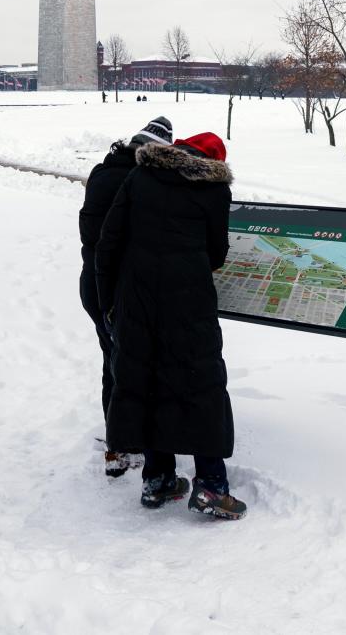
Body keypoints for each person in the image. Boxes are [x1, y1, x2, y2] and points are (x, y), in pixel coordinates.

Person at [96, 131, 246, 520]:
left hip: (137, 298)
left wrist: (109, 302)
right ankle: (211, 486)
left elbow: (109, 241)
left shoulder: (140, 176)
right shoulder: (214, 189)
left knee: (143, 379)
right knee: (200, 383)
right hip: (189, 301)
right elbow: (216, 251)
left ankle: (157, 479)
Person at [79, 116, 173, 477]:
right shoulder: (134, 182)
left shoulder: (103, 173)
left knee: (112, 361)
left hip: (93, 282)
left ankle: (118, 445)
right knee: (129, 366)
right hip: (121, 288)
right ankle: (125, 445)